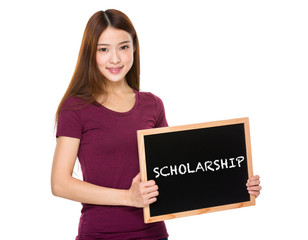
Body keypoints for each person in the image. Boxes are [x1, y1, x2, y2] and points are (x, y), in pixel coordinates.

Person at [51, 9, 261, 240]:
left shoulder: (152, 105)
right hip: (100, 235)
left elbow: (178, 172)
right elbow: (60, 184)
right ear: (91, 53)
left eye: (123, 47)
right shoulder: (76, 108)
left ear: (134, 49)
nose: (115, 59)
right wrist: (128, 197)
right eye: (104, 49)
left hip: (154, 235)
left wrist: (236, 184)